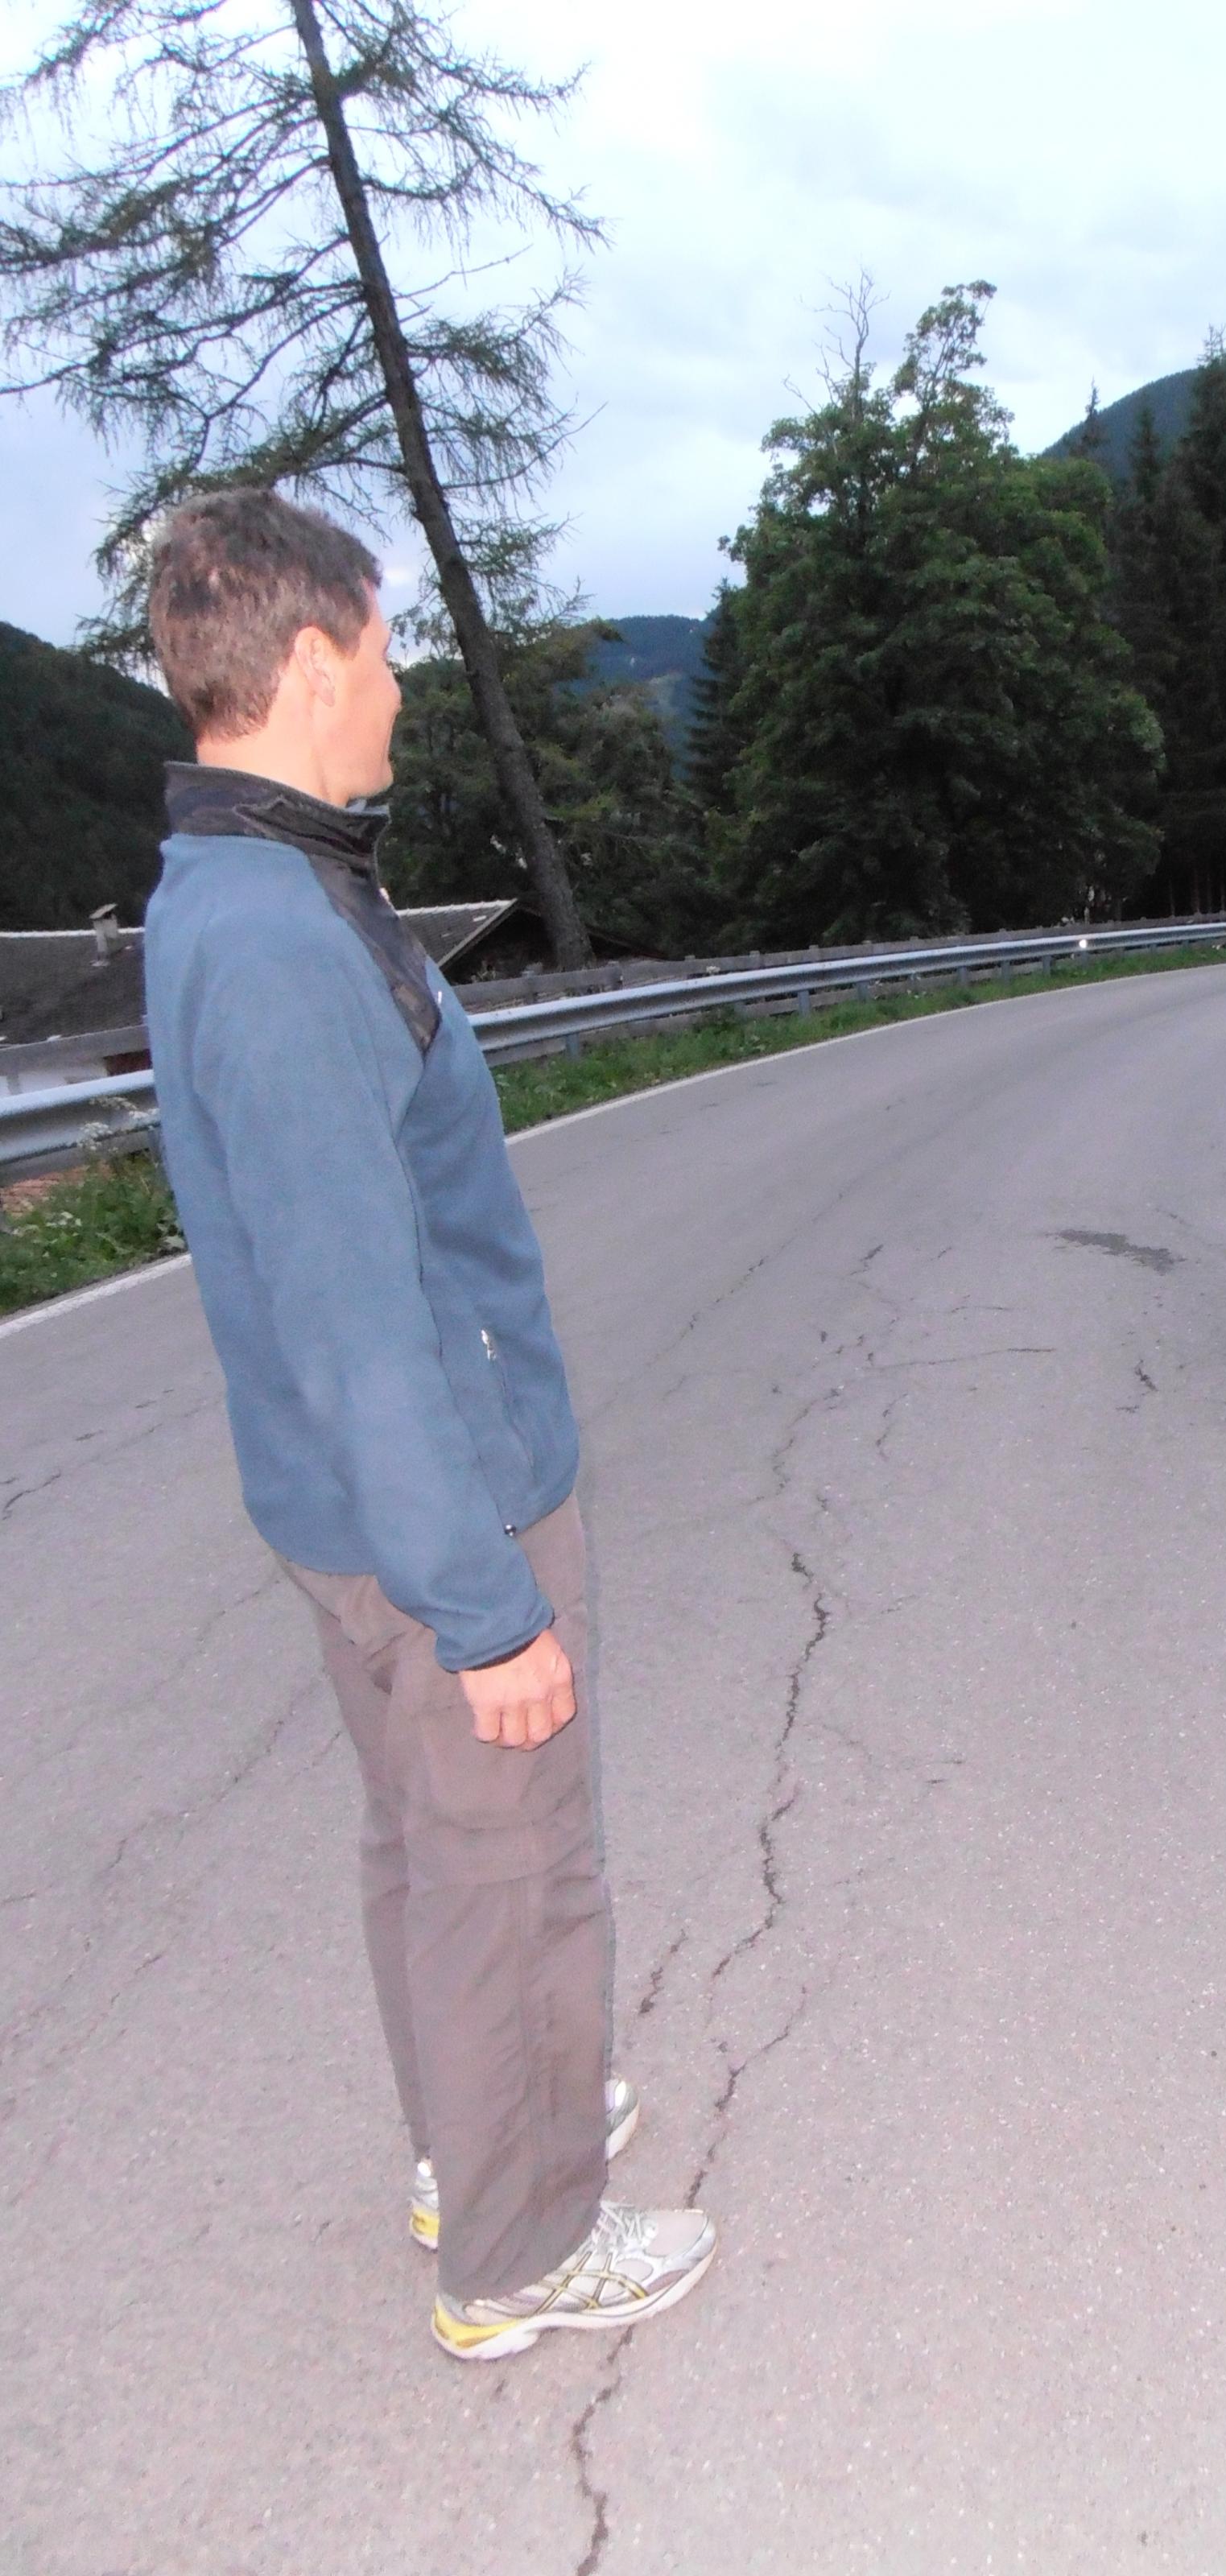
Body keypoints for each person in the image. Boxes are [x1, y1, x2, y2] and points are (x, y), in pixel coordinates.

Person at [141, 489, 715, 2361]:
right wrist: (482, 1603)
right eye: (384, 650)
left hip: (367, 1502)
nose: (399, 684)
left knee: (433, 1850)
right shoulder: (280, 940)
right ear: (312, 663)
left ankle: (477, 2136)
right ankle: (522, 2242)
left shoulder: (255, 882)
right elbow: (356, 1318)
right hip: (438, 1504)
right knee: (508, 1866)